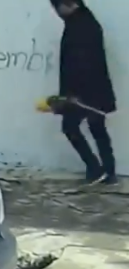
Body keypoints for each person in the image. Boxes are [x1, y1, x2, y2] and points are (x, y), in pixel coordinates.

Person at [51, 0, 118, 185]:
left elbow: (80, 64)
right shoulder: (84, 22)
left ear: (69, 3)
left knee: (73, 127)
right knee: (96, 128)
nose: (57, 12)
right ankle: (106, 171)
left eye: (57, 7)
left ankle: (97, 169)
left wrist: (71, 94)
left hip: (84, 92)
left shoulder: (81, 27)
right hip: (91, 90)